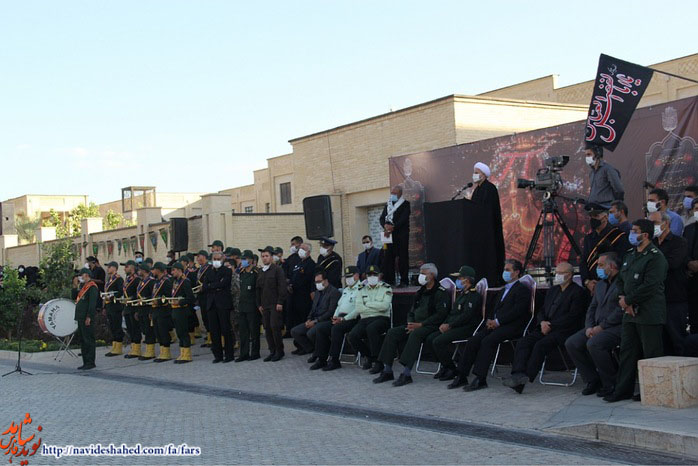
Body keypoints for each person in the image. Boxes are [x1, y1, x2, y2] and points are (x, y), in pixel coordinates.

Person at [604, 219, 668, 403]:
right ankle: (622, 390)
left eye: (635, 231)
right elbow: (621, 280)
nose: (631, 234)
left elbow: (650, 285)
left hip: (648, 312)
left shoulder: (655, 257)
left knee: (651, 354)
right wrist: (624, 300)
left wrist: (629, 300)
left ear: (645, 235)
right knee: (627, 352)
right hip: (630, 313)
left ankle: (652, 391)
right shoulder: (630, 254)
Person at [503, 262, 587, 393]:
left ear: (570, 275)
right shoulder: (553, 290)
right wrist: (542, 322)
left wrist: (551, 325)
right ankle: (517, 374)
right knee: (523, 342)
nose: (557, 275)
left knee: (540, 345)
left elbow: (573, 316)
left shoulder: (578, 292)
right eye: (556, 273)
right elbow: (542, 310)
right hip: (544, 327)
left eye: (561, 273)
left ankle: (524, 380)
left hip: (563, 330)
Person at [449, 259, 531, 391]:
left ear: (516, 272)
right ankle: (462, 375)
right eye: (504, 269)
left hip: (512, 326)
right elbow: (493, 308)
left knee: (488, 341)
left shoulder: (522, 290)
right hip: (495, 324)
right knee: (473, 340)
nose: (505, 272)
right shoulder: (503, 290)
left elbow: (517, 311)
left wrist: (498, 321)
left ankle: (480, 378)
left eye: (508, 270)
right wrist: (490, 320)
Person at [373, 263, 450, 387]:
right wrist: (410, 322)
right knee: (392, 332)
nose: (420, 276)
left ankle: (406, 373)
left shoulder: (441, 292)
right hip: (415, 324)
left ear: (432, 275)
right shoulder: (420, 292)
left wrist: (421, 324)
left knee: (415, 334)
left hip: (431, 325)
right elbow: (412, 311)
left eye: (423, 273)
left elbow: (441, 315)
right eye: (420, 273)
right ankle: (387, 369)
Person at [565, 252, 624, 397]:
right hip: (595, 326)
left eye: (601, 265)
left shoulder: (622, 282)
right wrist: (589, 327)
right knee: (572, 343)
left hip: (615, 327)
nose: (598, 268)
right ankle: (592, 379)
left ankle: (610, 383)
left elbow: (620, 311)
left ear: (612, 266)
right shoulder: (600, 285)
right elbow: (592, 308)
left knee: (594, 344)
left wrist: (601, 327)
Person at [429, 266, 483, 382]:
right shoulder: (462, 294)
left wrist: (450, 325)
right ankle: (445, 366)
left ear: (467, 280)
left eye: (459, 278)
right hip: (455, 325)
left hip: (466, 327)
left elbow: (466, 316)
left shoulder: (473, 296)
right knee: (431, 338)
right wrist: (445, 323)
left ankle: (452, 369)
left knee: (438, 341)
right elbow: (452, 313)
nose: (457, 281)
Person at [649, 211, 689, 355]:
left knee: (678, 339)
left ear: (666, 223)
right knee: (660, 342)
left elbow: (672, 263)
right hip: (655, 300)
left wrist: (652, 264)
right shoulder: (651, 244)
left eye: (655, 223)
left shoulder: (679, 242)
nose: (652, 226)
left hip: (674, 298)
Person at [312, 266, 362, 371]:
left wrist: (343, 319)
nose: (347, 279)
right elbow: (339, 305)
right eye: (346, 277)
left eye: (350, 276)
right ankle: (321, 359)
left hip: (352, 318)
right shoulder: (346, 289)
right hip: (340, 317)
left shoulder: (361, 289)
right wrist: (335, 316)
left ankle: (334, 360)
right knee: (320, 328)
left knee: (336, 329)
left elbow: (358, 309)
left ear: (357, 276)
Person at [348, 265, 393, 372]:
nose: (372, 277)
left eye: (374, 274)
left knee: (372, 329)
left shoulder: (386, 287)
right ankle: (369, 356)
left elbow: (385, 306)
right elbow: (359, 308)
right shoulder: (361, 288)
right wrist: (375, 307)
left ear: (379, 276)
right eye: (369, 275)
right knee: (352, 335)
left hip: (382, 318)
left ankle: (378, 362)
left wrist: (367, 304)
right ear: (366, 276)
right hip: (365, 319)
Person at [580, 204, 629, 295]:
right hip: (591, 287)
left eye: (596, 216)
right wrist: (587, 281)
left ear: (605, 217)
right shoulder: (589, 238)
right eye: (591, 216)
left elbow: (622, 261)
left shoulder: (618, 236)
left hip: (610, 286)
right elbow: (584, 261)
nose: (593, 219)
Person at [470, 162, 506, 284]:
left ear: (484, 175)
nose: (474, 175)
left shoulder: (490, 188)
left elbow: (488, 210)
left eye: (476, 172)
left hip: (489, 229)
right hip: (478, 230)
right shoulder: (477, 190)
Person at [290, 270, 340, 357]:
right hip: (314, 319)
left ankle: (320, 352)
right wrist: (309, 319)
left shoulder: (334, 292)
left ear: (326, 280)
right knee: (295, 331)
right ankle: (312, 349)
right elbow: (313, 308)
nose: (317, 284)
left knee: (311, 333)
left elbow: (331, 312)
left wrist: (316, 321)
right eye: (316, 282)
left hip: (325, 320)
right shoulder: (317, 292)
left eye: (319, 281)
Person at [202, 250, 235, 363]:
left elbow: (224, 284)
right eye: (214, 259)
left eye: (218, 259)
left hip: (223, 304)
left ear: (223, 259)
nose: (216, 261)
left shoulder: (227, 271)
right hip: (211, 304)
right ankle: (218, 355)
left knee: (226, 330)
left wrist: (212, 285)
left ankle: (229, 355)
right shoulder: (208, 272)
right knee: (214, 331)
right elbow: (205, 287)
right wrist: (216, 285)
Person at [257, 246, 288, 361]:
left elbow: (282, 286)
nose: (264, 258)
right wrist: (259, 304)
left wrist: (280, 302)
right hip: (264, 305)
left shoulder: (277, 270)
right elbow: (258, 289)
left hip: (275, 304)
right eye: (263, 256)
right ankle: (272, 351)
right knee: (267, 328)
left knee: (275, 327)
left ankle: (279, 351)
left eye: (266, 256)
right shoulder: (261, 271)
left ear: (271, 257)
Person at [380, 185, 411, 287]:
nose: (392, 195)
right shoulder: (388, 204)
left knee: (402, 258)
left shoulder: (405, 204)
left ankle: (404, 281)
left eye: (395, 193)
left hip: (401, 235)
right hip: (389, 235)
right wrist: (385, 226)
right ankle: (390, 280)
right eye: (392, 193)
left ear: (400, 194)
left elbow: (403, 219)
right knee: (388, 257)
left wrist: (393, 227)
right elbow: (382, 218)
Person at [236, 250, 261, 362]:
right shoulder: (241, 272)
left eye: (245, 259)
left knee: (254, 331)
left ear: (251, 260)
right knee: (243, 332)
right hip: (242, 306)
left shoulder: (256, 273)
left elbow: (258, 290)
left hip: (252, 306)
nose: (243, 261)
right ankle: (244, 353)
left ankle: (255, 353)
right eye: (242, 259)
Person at [72, 268, 98, 370]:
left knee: (88, 339)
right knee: (83, 340)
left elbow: (92, 304)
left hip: (86, 317)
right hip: (80, 317)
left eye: (81, 275)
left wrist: (89, 316)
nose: (80, 277)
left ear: (86, 275)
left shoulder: (92, 287)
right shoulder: (83, 286)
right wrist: (75, 286)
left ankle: (90, 362)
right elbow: (74, 297)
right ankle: (85, 361)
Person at [169, 262, 195, 363]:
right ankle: (182, 353)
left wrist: (180, 302)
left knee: (184, 332)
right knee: (179, 332)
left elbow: (190, 298)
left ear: (179, 270)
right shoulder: (175, 281)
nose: (172, 272)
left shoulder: (185, 281)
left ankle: (187, 355)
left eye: (174, 270)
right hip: (175, 309)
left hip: (183, 310)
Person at [287, 243, 316, 332]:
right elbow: (293, 276)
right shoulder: (298, 263)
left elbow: (309, 280)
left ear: (308, 252)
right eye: (300, 248)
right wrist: (290, 285)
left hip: (305, 296)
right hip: (295, 295)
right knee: (296, 318)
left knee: (304, 317)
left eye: (303, 248)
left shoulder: (311, 264)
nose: (300, 250)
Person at [150, 262, 173, 362]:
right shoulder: (157, 281)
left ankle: (166, 353)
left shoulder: (166, 281)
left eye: (154, 269)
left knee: (163, 331)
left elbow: (168, 296)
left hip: (163, 310)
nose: (153, 271)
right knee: (157, 331)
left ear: (158, 270)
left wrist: (159, 301)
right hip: (155, 309)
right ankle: (162, 351)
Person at [121, 260, 142, 359]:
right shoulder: (128, 279)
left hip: (134, 307)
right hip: (127, 307)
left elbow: (138, 294)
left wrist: (132, 299)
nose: (124, 269)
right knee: (130, 328)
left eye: (126, 266)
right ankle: (133, 348)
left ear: (132, 268)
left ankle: (137, 349)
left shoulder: (137, 280)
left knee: (135, 328)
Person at [103, 261, 125, 357]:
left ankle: (118, 347)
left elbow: (120, 291)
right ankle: (114, 346)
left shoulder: (118, 279)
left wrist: (111, 296)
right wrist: (104, 306)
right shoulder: (109, 279)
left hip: (116, 306)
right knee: (112, 326)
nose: (107, 269)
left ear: (115, 268)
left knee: (117, 326)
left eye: (109, 267)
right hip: (109, 306)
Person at [135, 263, 157, 361]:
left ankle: (150, 351)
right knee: (144, 329)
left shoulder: (151, 281)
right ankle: (148, 350)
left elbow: (153, 295)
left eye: (139, 270)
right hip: (141, 309)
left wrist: (151, 311)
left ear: (144, 270)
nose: (138, 272)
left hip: (148, 308)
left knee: (149, 331)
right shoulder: (141, 281)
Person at [684, 198, 698, 334]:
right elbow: (684, 250)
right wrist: (688, 263)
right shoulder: (688, 229)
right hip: (692, 281)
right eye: (696, 209)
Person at [195, 250, 214, 347]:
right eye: (197, 257)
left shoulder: (209, 267)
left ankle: (213, 339)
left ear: (204, 257)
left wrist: (204, 287)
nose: (198, 259)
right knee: (205, 317)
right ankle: (209, 337)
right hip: (201, 296)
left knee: (209, 317)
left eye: (199, 256)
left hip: (207, 295)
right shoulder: (200, 269)